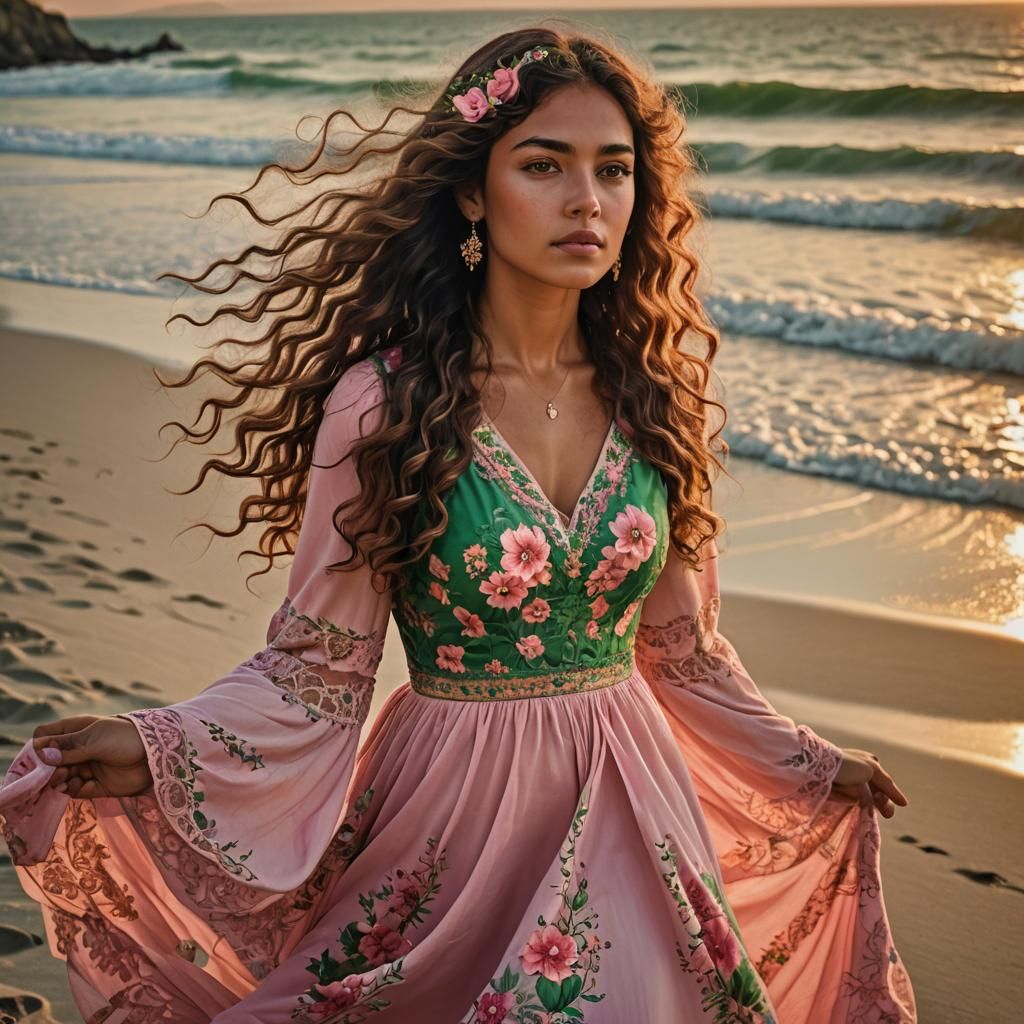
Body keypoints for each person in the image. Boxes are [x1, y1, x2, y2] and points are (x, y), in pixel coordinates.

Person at [0, 25, 917, 1024]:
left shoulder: (657, 398)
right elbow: (318, 667)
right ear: (473, 194)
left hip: (634, 800)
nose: (587, 200)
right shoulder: (384, 402)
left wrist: (809, 763)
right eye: (543, 164)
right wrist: (159, 746)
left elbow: (682, 653)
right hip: (451, 818)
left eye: (614, 170)